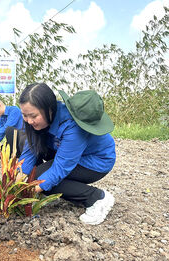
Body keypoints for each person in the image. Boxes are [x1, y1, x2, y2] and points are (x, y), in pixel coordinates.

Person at [17, 83, 116, 225]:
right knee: (28, 155)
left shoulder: (73, 127)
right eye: (24, 115)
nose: (29, 121)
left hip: (95, 161)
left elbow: (61, 167)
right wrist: (15, 179)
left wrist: (30, 190)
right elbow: (31, 151)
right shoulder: (38, 120)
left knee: (42, 179)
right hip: (67, 153)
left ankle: (97, 198)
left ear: (49, 110)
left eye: (33, 116)